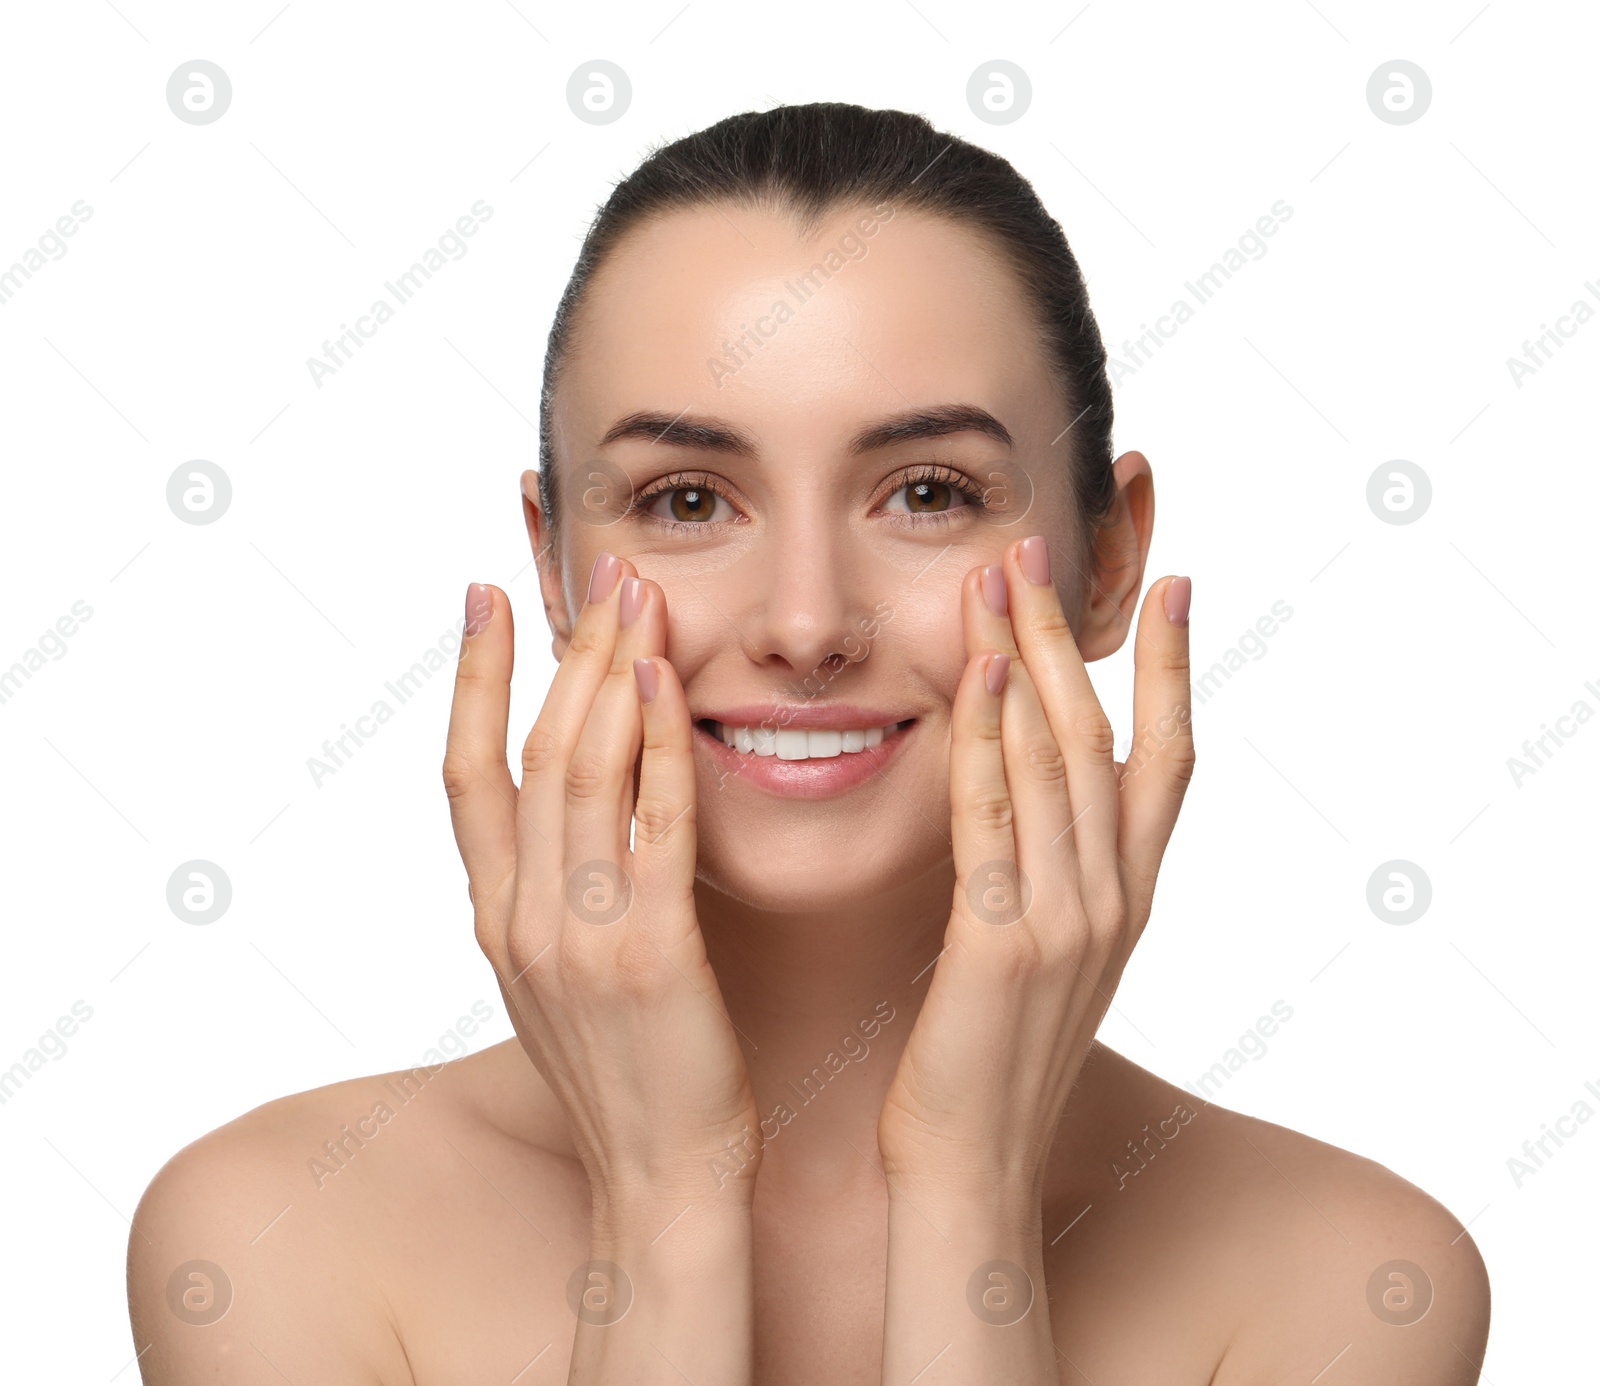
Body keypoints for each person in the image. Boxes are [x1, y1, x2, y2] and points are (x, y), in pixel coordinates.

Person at [127, 102, 1490, 1384]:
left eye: (925, 492)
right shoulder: (270, 1236)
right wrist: (667, 1212)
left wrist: (970, 1190)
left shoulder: (1351, 1276)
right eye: (686, 499)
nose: (805, 621)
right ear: (551, 566)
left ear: (1108, 558)